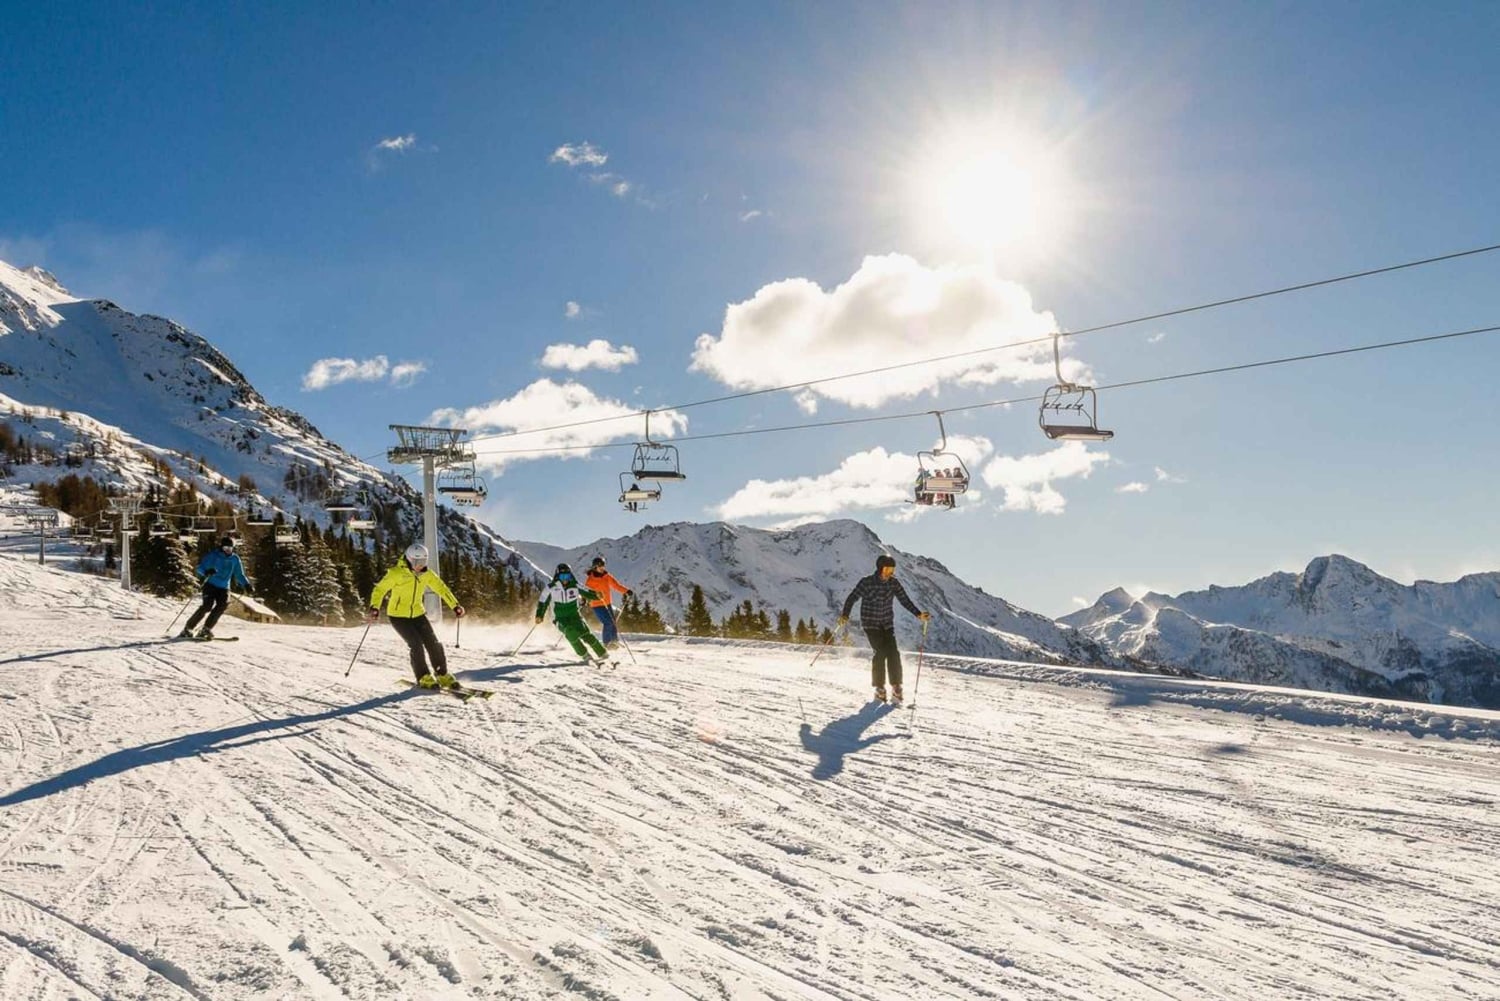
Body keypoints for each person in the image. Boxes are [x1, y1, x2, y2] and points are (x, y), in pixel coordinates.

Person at [367, 543, 466, 688]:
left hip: (418, 614)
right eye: (416, 561)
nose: (419, 565)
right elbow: (379, 590)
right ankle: (423, 676)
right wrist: (374, 607)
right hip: (398, 616)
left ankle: (442, 674)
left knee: (433, 643)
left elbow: (441, 588)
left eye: (423, 561)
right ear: (408, 559)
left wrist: (455, 605)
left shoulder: (427, 574)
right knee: (416, 644)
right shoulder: (396, 573)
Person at [837, 554, 930, 705]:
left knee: (893, 652)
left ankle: (896, 686)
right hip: (870, 623)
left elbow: (905, 600)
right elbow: (852, 597)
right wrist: (845, 614)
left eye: (892, 570)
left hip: (886, 623)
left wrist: (918, 614)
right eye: (887, 570)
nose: (889, 573)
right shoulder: (867, 582)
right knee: (880, 652)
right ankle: (880, 688)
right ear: (880, 568)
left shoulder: (893, 583)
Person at [536, 562, 609, 663]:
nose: (565, 579)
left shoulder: (575, 585)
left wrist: (597, 595)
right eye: (562, 576)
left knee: (585, 633)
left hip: (575, 616)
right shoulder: (551, 588)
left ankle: (602, 653)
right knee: (570, 633)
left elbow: (587, 591)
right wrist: (539, 615)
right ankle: (584, 654)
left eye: (567, 576)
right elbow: (543, 602)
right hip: (559, 618)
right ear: (557, 576)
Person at [181, 536, 252, 640]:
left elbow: (239, 574)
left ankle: (206, 629)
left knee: (222, 606)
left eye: (230, 548)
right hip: (210, 585)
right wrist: (206, 572)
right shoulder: (213, 555)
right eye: (225, 548)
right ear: (221, 547)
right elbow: (200, 568)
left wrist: (246, 585)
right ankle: (188, 628)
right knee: (207, 606)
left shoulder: (235, 559)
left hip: (224, 587)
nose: (228, 550)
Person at [584, 556, 632, 647]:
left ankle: (614, 640)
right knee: (608, 622)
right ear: (595, 567)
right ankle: (607, 643)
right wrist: (590, 597)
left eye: (603, 565)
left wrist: (626, 591)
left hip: (607, 603)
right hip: (597, 605)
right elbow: (588, 592)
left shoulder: (607, 576)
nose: (602, 568)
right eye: (600, 566)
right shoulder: (590, 580)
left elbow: (616, 585)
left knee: (613, 622)